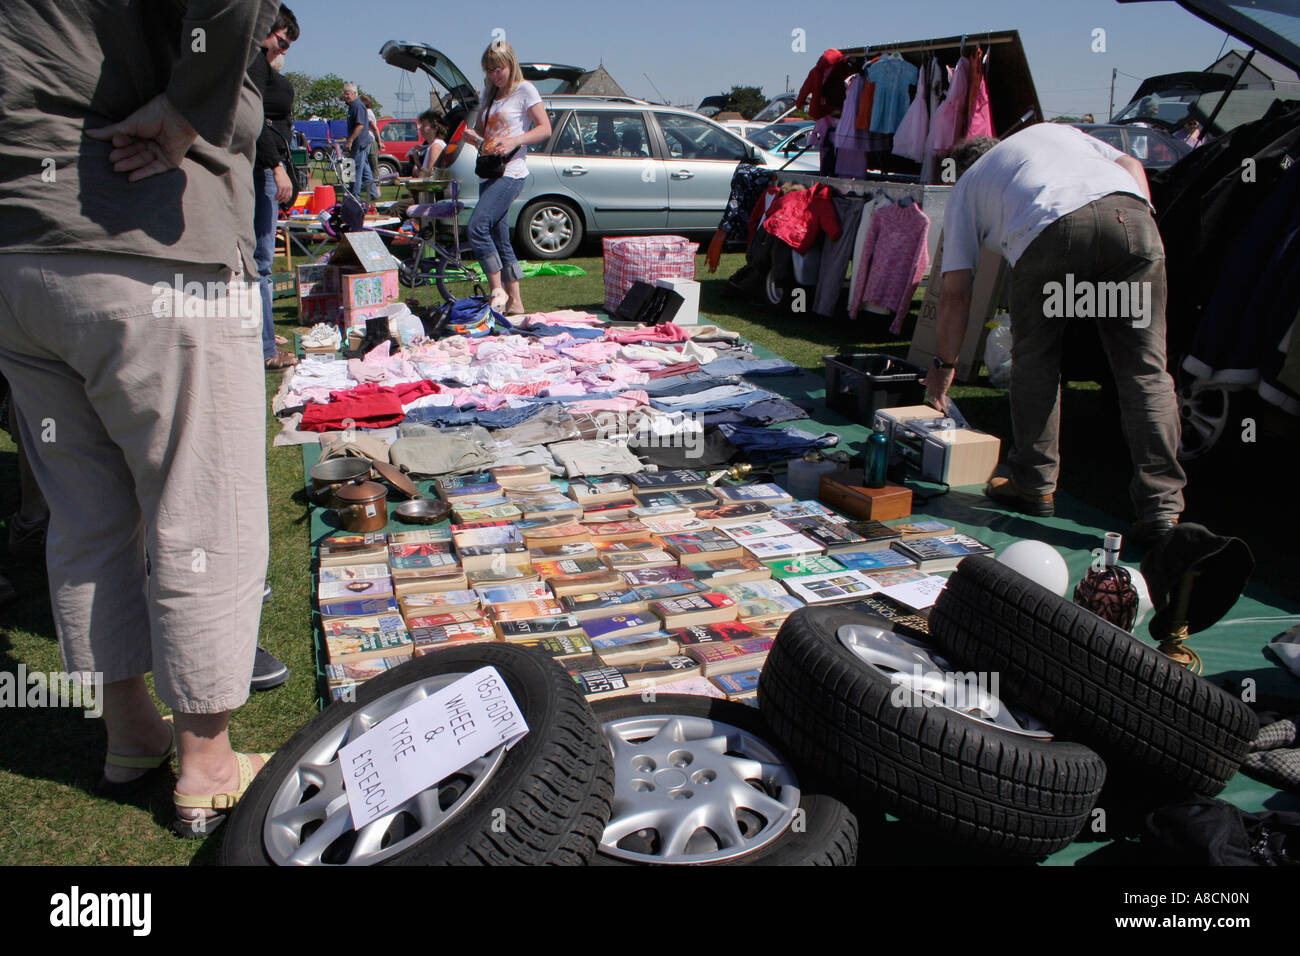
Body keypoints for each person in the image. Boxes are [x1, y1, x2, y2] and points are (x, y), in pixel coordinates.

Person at [0, 0, 278, 836]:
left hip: (19, 250)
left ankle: (130, 729)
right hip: (144, 235)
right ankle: (205, 759)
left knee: (87, 513)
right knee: (202, 502)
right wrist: (189, 109)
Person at [924, 125, 1186, 548]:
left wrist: (944, 365)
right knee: (1145, 372)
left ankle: (1034, 482)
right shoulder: (1053, 131)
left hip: (1050, 232)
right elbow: (1132, 163)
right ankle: (1162, 508)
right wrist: (1144, 221)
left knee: (1037, 362)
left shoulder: (968, 185)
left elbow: (955, 293)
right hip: (1132, 219)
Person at [463, 40, 551, 315]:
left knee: (477, 227)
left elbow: (544, 128)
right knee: (500, 237)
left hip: (511, 172)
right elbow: (487, 138)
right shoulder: (489, 96)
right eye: (488, 70)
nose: (493, 75)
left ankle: (496, 290)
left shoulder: (525, 90)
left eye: (497, 69)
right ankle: (517, 301)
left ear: (510, 64)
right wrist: (474, 138)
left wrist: (516, 139)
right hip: (489, 171)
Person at [249, 6, 300, 371]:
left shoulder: (257, 64)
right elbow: (257, 122)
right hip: (259, 169)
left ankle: (263, 333)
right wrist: (277, 167)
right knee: (260, 263)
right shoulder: (251, 64)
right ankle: (265, 348)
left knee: (257, 262)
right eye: (280, 42)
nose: (281, 51)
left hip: (261, 169)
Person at [342, 82, 375, 201]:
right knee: (365, 170)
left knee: (355, 170)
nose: (345, 96)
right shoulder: (352, 106)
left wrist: (350, 140)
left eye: (347, 94)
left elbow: (360, 125)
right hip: (359, 144)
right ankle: (374, 194)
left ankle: (354, 197)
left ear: (354, 93)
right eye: (344, 94)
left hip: (360, 143)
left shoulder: (358, 106)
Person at [362, 94, 382, 201]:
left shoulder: (368, 113)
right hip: (369, 140)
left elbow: (375, 128)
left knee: (373, 165)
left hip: (370, 141)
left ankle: (376, 190)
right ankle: (373, 190)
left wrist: (379, 141)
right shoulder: (367, 112)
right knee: (370, 166)